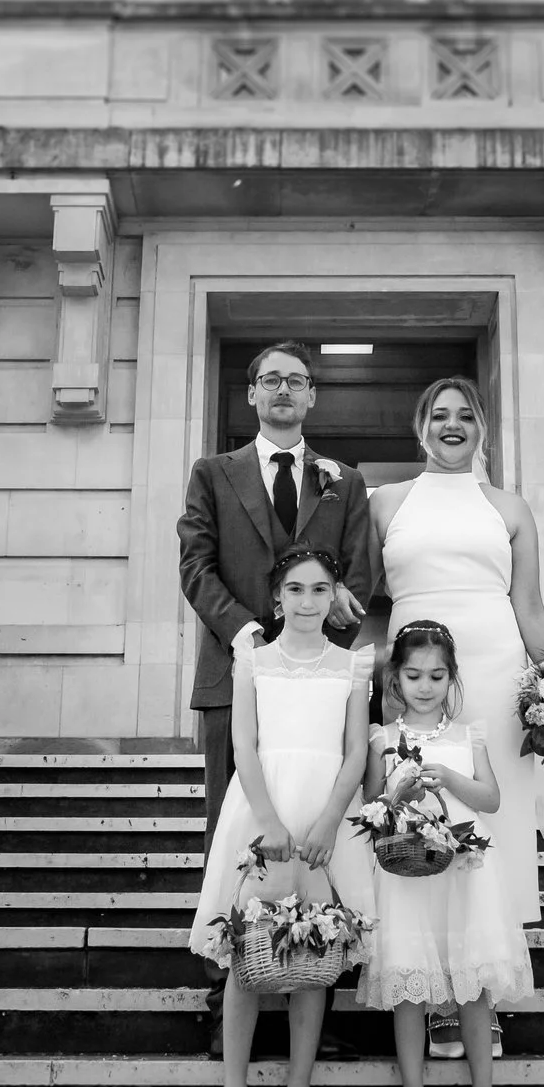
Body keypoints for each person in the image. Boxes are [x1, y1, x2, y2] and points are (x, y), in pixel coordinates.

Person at [177, 340, 375, 1050]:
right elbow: (196, 565)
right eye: (271, 381)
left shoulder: (343, 482)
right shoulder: (212, 472)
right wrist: (246, 636)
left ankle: (321, 970)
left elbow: (362, 571)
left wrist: (336, 604)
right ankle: (230, 980)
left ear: (313, 395)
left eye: (296, 380)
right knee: (239, 831)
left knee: (323, 828)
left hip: (319, 686)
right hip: (239, 672)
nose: (284, 390)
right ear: (252, 396)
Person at [370, 376, 544, 1061]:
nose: (453, 426)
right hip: (414, 676)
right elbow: (364, 601)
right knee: (422, 816)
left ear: (482, 428)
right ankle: (433, 991)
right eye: (439, 416)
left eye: (466, 416)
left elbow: (531, 606)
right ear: (419, 427)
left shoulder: (509, 507)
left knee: (490, 825)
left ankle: (483, 988)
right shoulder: (384, 502)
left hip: (491, 669)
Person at [185, 548, 376, 1087]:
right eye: (295, 590)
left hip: (323, 815)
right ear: (277, 599)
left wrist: (327, 823)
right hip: (262, 813)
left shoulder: (352, 666)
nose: (307, 601)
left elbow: (354, 753)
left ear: (335, 597)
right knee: (251, 950)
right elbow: (244, 745)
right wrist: (267, 820)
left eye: (320, 590)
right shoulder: (253, 660)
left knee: (313, 956)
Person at [359, 619, 529, 1087]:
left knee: (473, 984)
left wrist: (450, 777)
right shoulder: (382, 739)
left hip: (467, 872)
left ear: (451, 678)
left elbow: (491, 799)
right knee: (410, 982)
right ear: (396, 680)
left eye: (436, 676)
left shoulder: (468, 735)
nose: (425, 686)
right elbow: (370, 809)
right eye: (413, 676)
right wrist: (399, 793)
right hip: (408, 873)